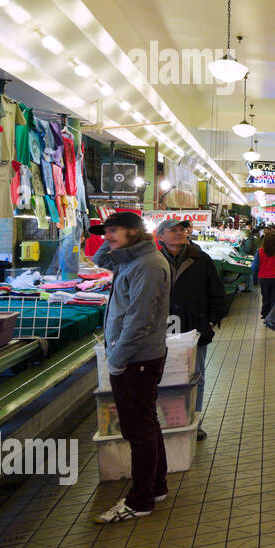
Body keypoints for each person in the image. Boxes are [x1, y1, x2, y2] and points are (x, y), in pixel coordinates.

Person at [91, 212, 171, 523]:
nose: (107, 236)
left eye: (114, 231)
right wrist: (111, 242)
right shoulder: (131, 260)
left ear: (135, 233)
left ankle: (140, 500)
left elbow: (140, 319)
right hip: (137, 358)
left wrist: (117, 360)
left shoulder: (147, 265)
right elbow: (101, 261)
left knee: (138, 431)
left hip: (137, 359)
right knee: (147, 424)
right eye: (106, 231)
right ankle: (156, 485)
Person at [157, 219, 227, 441]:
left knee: (195, 376)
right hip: (162, 328)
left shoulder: (201, 259)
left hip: (195, 327)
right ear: (160, 236)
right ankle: (167, 421)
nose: (179, 233)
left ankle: (194, 422)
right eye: (173, 230)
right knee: (164, 375)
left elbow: (216, 290)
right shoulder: (154, 261)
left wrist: (211, 320)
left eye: (182, 230)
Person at [252, 230, 275, 322]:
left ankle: (265, 316)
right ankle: (274, 317)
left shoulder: (260, 251)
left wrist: (256, 276)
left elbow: (255, 266)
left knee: (265, 297)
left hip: (264, 278)